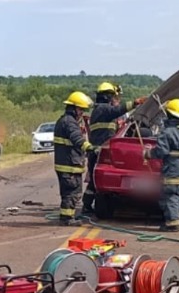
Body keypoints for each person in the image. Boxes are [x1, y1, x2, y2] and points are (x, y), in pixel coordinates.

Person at [83, 82, 140, 212]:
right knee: (95, 180)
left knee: (94, 180)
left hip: (99, 151)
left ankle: (87, 205)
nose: (114, 99)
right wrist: (135, 103)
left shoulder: (101, 111)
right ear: (107, 97)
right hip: (98, 151)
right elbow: (117, 110)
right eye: (113, 96)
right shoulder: (102, 109)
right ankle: (88, 206)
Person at [145, 99, 179, 232]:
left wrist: (148, 153)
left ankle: (172, 223)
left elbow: (160, 151)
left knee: (169, 196)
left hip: (173, 172)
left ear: (169, 114)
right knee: (178, 195)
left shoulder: (167, 132)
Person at [53, 91, 95, 225]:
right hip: (69, 165)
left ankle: (68, 217)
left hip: (66, 163)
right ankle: (66, 219)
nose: (82, 112)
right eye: (81, 109)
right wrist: (90, 148)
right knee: (72, 193)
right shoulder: (70, 123)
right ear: (74, 108)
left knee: (68, 193)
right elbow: (77, 139)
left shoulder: (63, 120)